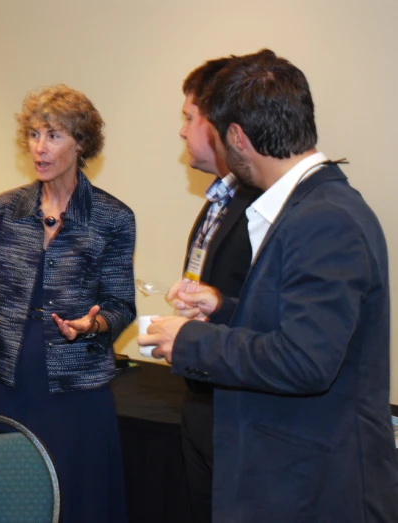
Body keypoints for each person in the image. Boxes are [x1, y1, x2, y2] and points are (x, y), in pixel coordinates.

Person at [140, 49, 398, 522]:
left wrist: (192, 341)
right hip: (294, 479)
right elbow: (293, 328)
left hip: (316, 488)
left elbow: (305, 361)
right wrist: (222, 312)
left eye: (217, 136)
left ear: (238, 137)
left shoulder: (326, 219)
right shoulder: (310, 207)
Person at [0, 85, 136, 523]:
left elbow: (121, 304)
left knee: (77, 497)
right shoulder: (6, 209)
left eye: (54, 136)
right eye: (34, 135)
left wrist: (92, 326)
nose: (40, 147)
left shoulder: (113, 217)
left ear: (81, 144)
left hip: (76, 386)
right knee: (10, 499)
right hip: (11, 377)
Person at [174, 56, 260, 523]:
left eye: (189, 118)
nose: (183, 132)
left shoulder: (263, 208)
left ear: (219, 123)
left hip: (238, 409)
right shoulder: (218, 200)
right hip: (201, 399)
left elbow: (266, 313)